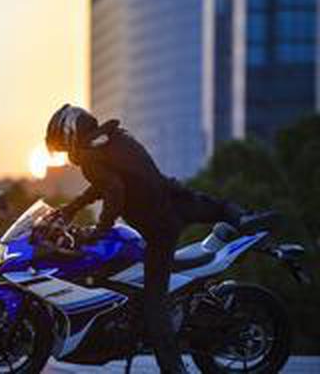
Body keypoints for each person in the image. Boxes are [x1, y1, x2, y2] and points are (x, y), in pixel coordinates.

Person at [44, 104, 276, 373]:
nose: (67, 153)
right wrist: (72, 208)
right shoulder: (112, 139)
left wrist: (101, 229)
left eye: (63, 146)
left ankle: (172, 368)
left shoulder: (91, 156)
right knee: (220, 207)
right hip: (174, 198)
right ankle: (244, 219)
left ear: (71, 133)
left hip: (158, 227)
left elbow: (114, 190)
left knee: (154, 303)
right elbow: (106, 184)